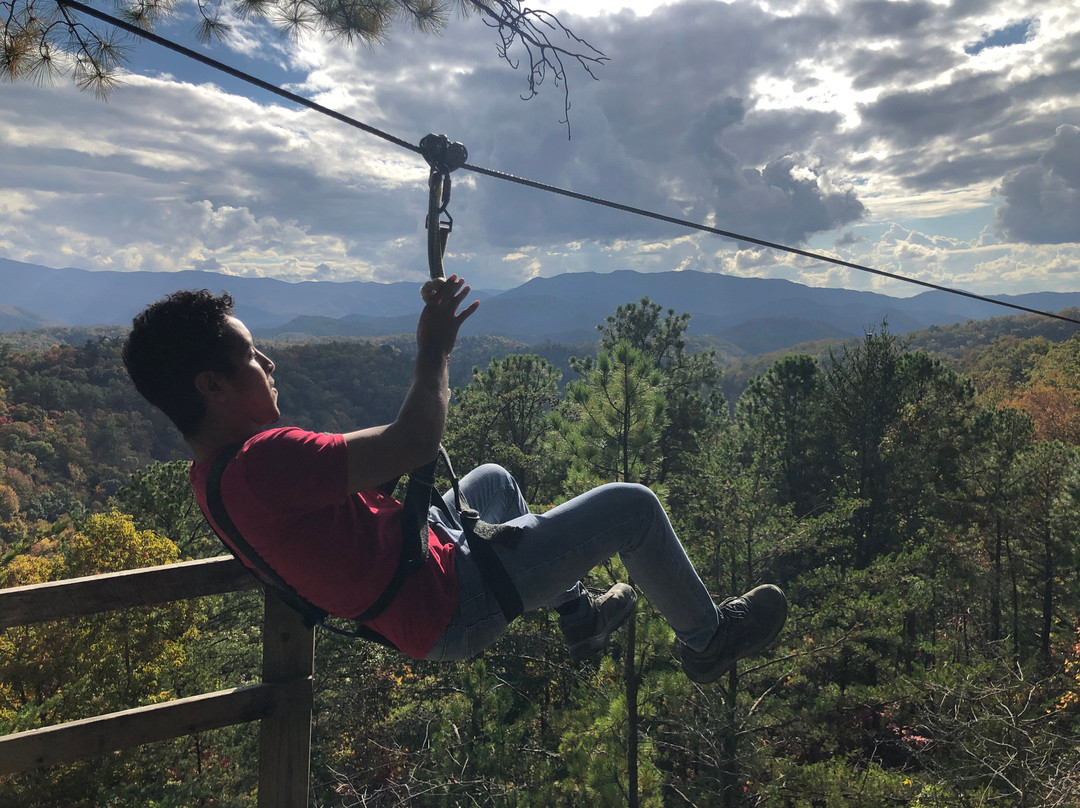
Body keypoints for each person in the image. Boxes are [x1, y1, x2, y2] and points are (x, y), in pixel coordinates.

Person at [122, 276, 787, 682]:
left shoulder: (211, 477)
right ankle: (707, 639)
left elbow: (333, 527)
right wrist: (435, 347)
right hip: (448, 606)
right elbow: (415, 440)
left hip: (411, 583)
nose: (267, 362)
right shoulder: (265, 461)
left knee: (493, 481)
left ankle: (578, 615)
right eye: (250, 358)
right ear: (213, 386)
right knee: (633, 508)